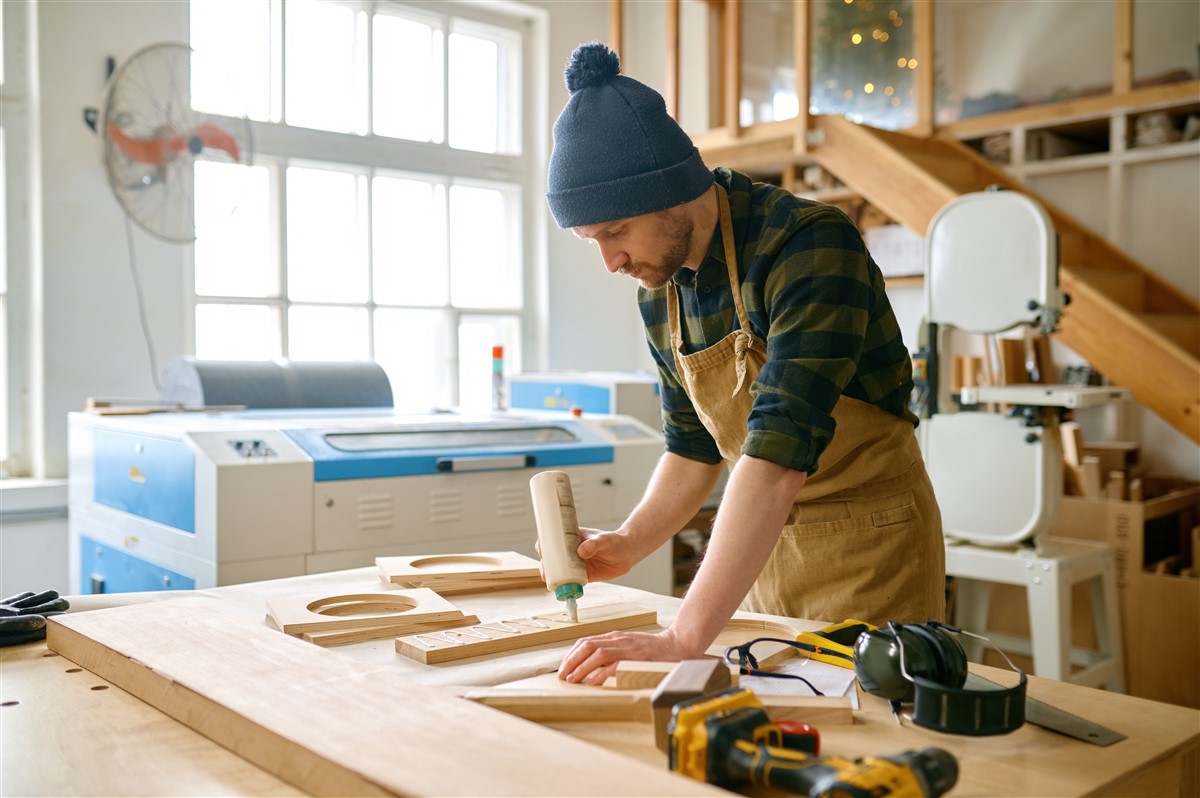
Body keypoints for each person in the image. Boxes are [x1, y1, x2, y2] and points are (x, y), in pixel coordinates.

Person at [545, 42, 945, 685]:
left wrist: (682, 635)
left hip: (872, 547)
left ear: (671, 192)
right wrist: (626, 543)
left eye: (615, 233)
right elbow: (692, 449)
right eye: (592, 242)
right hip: (759, 558)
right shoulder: (662, 289)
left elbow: (778, 452)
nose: (611, 263)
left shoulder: (809, 245)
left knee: (870, 747)